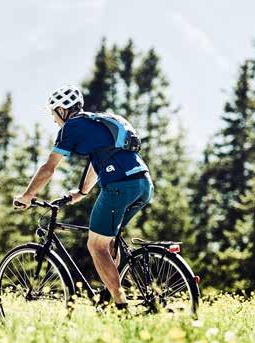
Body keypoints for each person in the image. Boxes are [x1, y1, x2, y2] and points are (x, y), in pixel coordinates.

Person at [13, 85, 154, 309]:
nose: (53, 119)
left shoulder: (72, 127)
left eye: (53, 113)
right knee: (109, 242)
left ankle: (119, 307)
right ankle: (110, 298)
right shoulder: (96, 123)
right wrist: (81, 192)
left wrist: (28, 195)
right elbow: (98, 163)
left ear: (62, 110)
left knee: (96, 246)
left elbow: (49, 168)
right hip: (143, 184)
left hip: (119, 186)